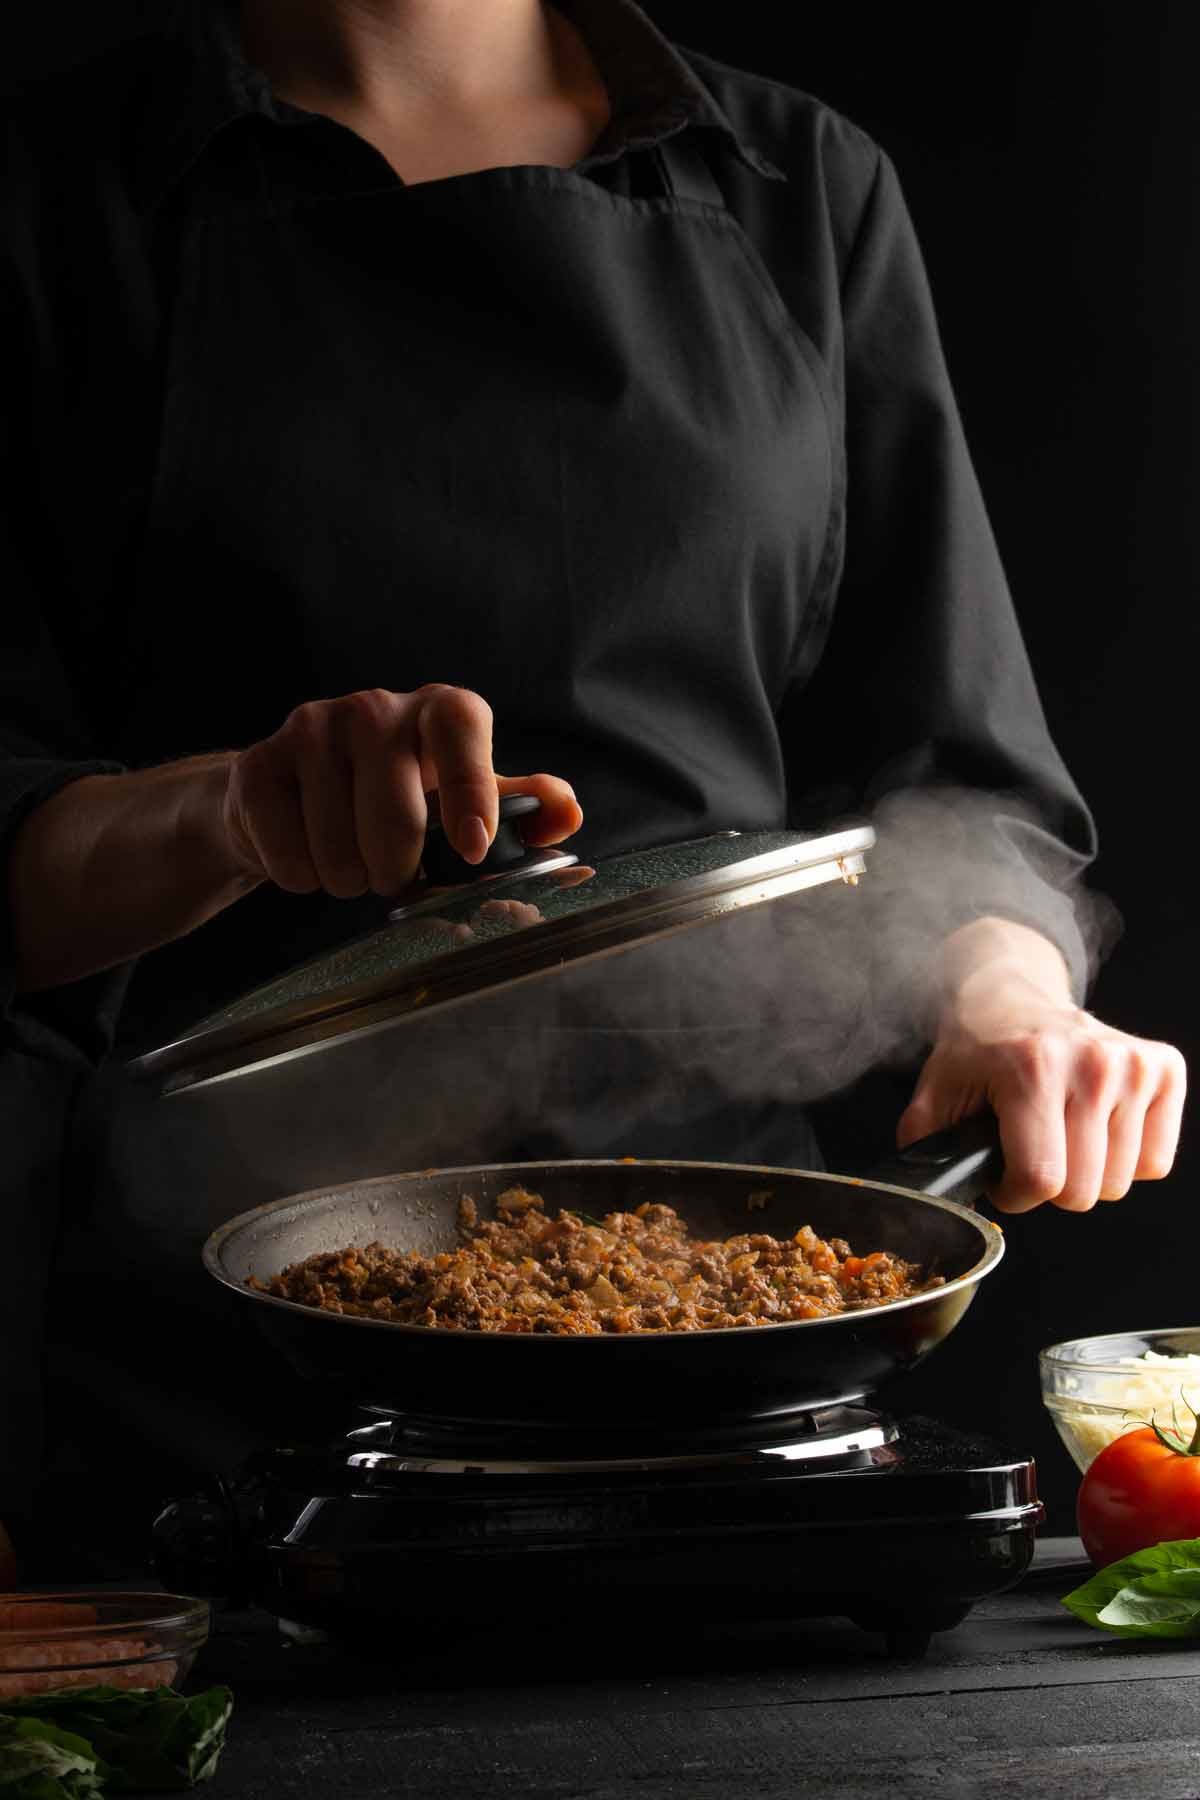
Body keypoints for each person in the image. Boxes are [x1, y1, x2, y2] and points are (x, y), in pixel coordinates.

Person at [0, 0, 1185, 1561]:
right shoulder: (56, 192)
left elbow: (949, 764)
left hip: (736, 1318)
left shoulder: (798, 183)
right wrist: (232, 810)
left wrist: (1011, 997)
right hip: (217, 1335)